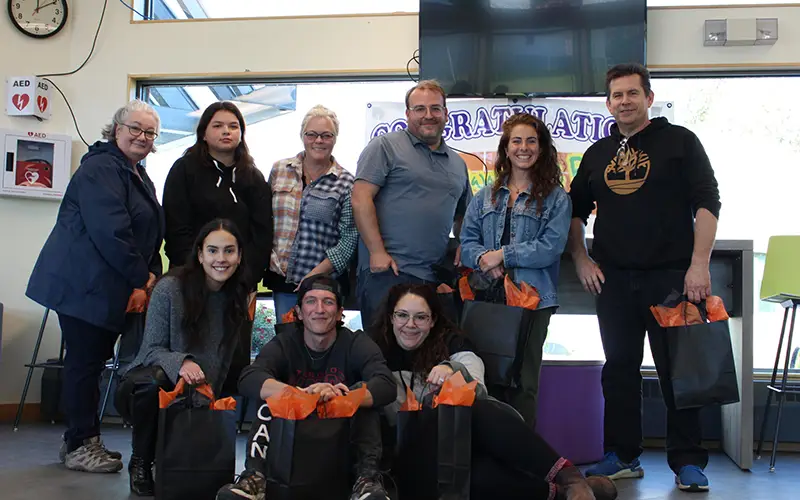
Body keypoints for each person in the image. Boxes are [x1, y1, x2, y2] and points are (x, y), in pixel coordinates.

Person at [568, 63, 721, 492]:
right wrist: (581, 258)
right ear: (608, 103)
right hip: (613, 280)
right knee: (619, 370)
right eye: (617, 95)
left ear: (648, 98)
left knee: (678, 371)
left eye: (632, 94)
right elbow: (574, 211)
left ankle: (688, 461)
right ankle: (622, 455)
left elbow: (708, 202)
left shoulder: (680, 142)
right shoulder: (597, 153)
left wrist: (699, 264)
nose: (625, 102)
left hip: (672, 278)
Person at [372, 283, 617, 500]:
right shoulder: (374, 353)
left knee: (477, 431)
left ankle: (568, 479)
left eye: (420, 317)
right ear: (391, 317)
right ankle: (573, 488)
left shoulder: (452, 344)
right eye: (402, 315)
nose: (410, 325)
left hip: (462, 442)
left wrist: (452, 371)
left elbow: (477, 388)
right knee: (468, 475)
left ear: (433, 320)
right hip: (414, 456)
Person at [25, 99, 164, 473]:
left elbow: (148, 231)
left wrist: (150, 274)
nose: (142, 136)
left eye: (149, 132)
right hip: (83, 285)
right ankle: (79, 445)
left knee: (89, 364)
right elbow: (112, 231)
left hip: (105, 285)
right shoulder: (102, 168)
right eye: (134, 128)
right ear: (116, 129)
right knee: (84, 366)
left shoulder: (134, 172)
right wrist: (142, 277)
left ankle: (83, 438)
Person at [216, 274, 397, 500]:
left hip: (340, 443)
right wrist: (294, 393)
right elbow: (249, 378)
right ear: (299, 312)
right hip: (292, 442)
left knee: (365, 396)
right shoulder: (285, 342)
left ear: (340, 312)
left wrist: (344, 395)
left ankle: (366, 481)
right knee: (269, 395)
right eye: (311, 301)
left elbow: (386, 384)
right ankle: (255, 477)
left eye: (328, 302)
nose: (319, 309)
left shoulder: (355, 342)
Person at [115, 219, 251, 495]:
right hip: (147, 385)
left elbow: (223, 362)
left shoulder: (238, 296)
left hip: (200, 391)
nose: (221, 259)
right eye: (212, 251)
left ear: (239, 256)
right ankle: (141, 460)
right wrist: (183, 362)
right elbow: (150, 350)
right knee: (153, 382)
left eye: (229, 251)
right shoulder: (170, 288)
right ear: (200, 255)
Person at [460, 112, 571, 427]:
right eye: (517, 141)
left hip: (532, 301)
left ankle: (521, 466)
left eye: (531, 141)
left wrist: (503, 256)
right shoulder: (484, 196)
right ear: (506, 149)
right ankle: (488, 459)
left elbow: (551, 248)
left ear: (541, 148)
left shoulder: (556, 198)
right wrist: (484, 258)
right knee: (485, 379)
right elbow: (466, 243)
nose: (524, 148)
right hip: (486, 300)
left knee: (523, 384)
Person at [352, 79, 472, 330]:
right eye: (420, 109)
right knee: (381, 358)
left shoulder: (458, 164)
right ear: (407, 114)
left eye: (435, 108)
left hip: (433, 279)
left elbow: (464, 217)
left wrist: (465, 243)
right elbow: (360, 197)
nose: (428, 115)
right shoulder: (385, 146)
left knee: (425, 361)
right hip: (387, 274)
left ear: (445, 114)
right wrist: (377, 252)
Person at [162, 101, 272, 290]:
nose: (226, 131)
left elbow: (262, 234)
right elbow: (176, 228)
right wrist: (197, 272)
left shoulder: (253, 177)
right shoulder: (184, 170)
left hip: (240, 282)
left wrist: (248, 275)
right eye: (218, 126)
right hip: (192, 279)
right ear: (203, 133)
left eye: (233, 126)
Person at [265, 105, 357, 319]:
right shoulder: (280, 170)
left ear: (335, 139)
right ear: (302, 136)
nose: (319, 141)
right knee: (286, 342)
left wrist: (313, 276)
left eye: (326, 135)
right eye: (312, 134)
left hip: (324, 285)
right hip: (282, 280)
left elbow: (349, 239)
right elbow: (264, 220)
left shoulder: (346, 183)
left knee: (321, 345)